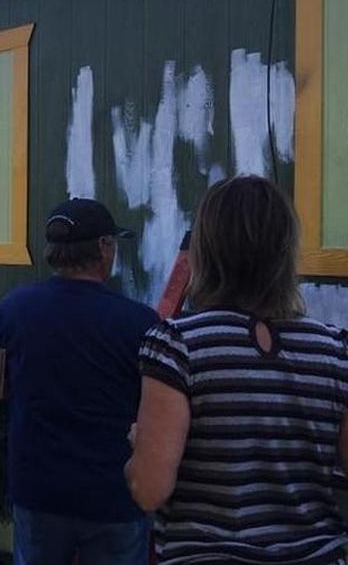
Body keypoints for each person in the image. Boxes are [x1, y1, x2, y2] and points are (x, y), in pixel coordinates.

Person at [127, 176, 348, 564]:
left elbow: (150, 489)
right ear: (286, 252)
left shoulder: (177, 344)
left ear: (206, 250)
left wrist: (138, 449)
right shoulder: (335, 350)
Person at [0, 198, 157, 565]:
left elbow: (0, 388)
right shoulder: (139, 322)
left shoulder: (14, 309)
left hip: (38, 491)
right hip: (113, 497)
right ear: (102, 247)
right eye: (112, 242)